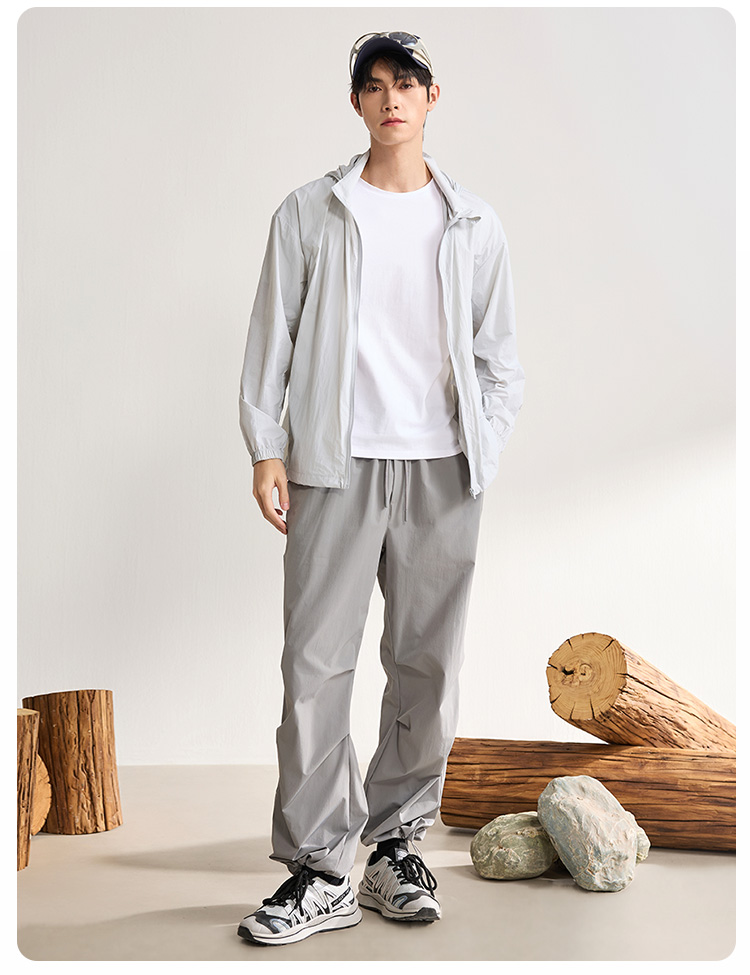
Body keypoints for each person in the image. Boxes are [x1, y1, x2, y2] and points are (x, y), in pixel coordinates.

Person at [236, 30, 525, 947]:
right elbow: (272, 335)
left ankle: (395, 848)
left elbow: (499, 358)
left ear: (433, 97)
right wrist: (267, 445)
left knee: (427, 664)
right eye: (374, 84)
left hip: (443, 469)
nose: (391, 97)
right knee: (314, 665)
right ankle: (321, 866)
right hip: (333, 462)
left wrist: (481, 446)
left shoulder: (473, 222)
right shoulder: (310, 211)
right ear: (356, 102)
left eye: (407, 82)